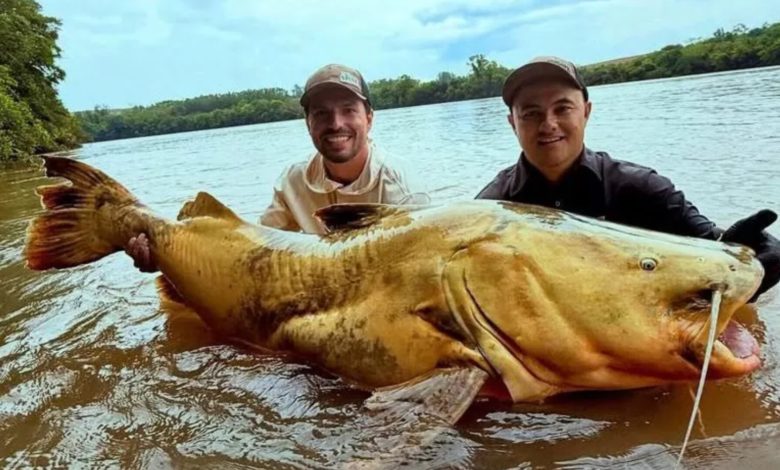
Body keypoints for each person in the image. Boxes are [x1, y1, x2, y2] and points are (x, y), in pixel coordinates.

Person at [476, 56, 780, 299]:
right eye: (531, 113)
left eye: (563, 108)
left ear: (586, 112)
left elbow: (712, 248)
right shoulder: (489, 211)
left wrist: (749, 259)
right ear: (512, 123)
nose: (549, 124)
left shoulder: (642, 188)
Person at [127, 64, 427, 271]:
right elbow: (256, 252)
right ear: (308, 123)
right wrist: (168, 257)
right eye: (322, 114)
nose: (336, 124)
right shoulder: (294, 180)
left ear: (370, 118)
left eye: (348, 111)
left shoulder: (401, 188)